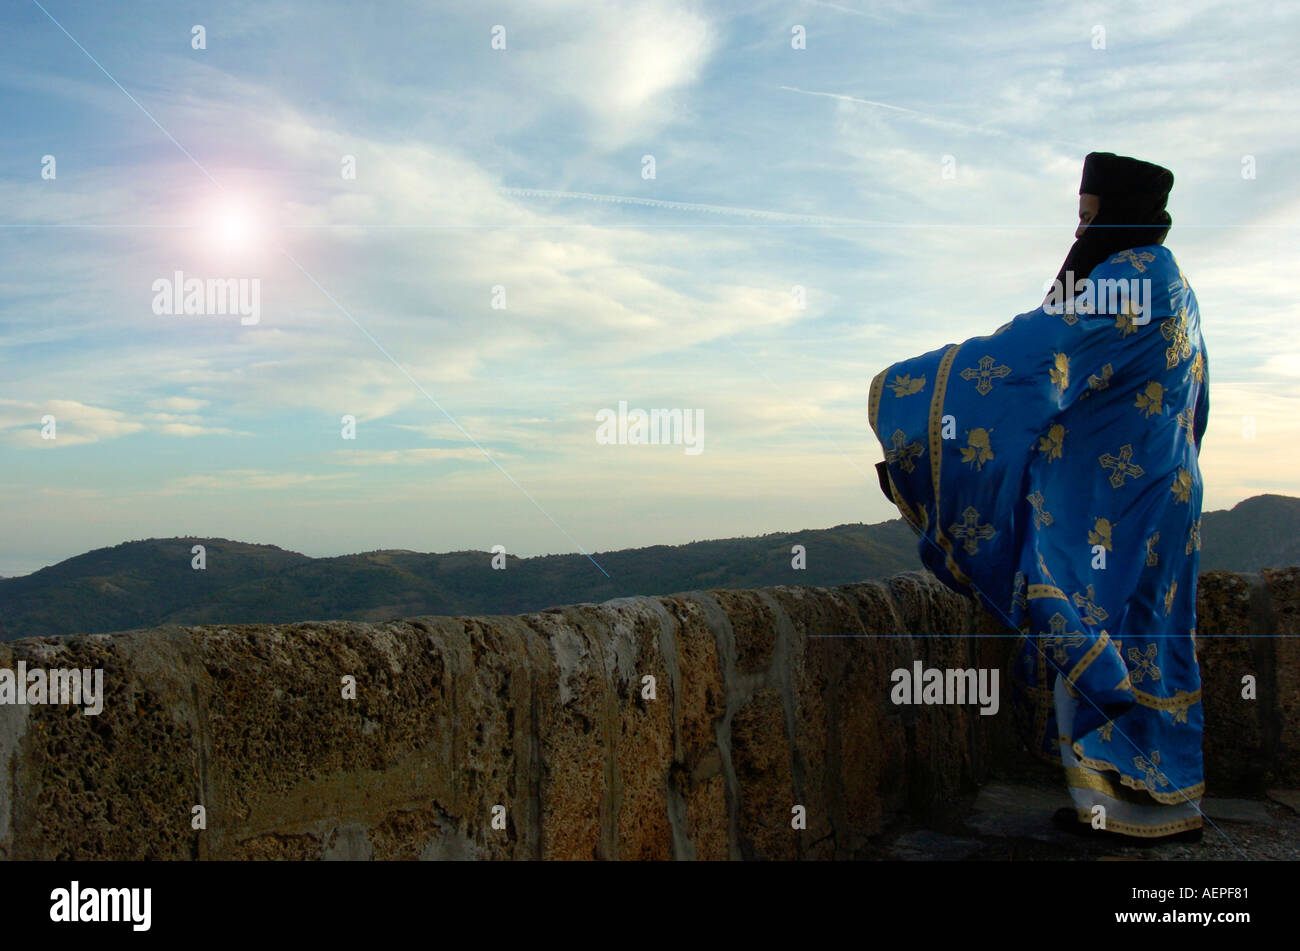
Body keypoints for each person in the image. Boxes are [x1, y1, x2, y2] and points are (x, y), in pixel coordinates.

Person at [869, 152, 1208, 842]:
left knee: (1091, 616)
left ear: (1118, 214)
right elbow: (1193, 402)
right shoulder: (1177, 286)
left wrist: (912, 386)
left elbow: (1035, 352)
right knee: (1153, 632)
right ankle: (1163, 799)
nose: (1080, 233)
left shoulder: (1130, 279)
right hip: (1166, 493)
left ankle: (1122, 806)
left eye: (1090, 218)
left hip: (1113, 506)